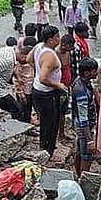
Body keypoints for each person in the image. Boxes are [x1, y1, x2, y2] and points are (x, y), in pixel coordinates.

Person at [32, 26, 69, 156]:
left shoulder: (38, 47)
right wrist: (58, 85)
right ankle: (48, 151)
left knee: (45, 121)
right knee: (51, 123)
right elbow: (43, 78)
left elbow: (29, 60)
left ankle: (44, 146)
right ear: (51, 40)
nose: (59, 39)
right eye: (57, 37)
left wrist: (38, 69)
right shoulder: (50, 56)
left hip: (37, 90)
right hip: (47, 93)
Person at [72, 57, 99, 176]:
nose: (97, 73)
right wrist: (90, 141)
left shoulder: (82, 81)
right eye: (95, 71)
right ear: (87, 73)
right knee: (87, 155)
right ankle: (83, 179)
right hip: (84, 127)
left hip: (79, 123)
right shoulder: (81, 90)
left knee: (79, 150)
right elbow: (83, 118)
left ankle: (77, 174)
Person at [13, 38, 37, 122]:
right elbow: (17, 82)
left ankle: (26, 121)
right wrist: (21, 94)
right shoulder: (19, 67)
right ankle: (23, 122)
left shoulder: (30, 65)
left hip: (29, 91)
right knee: (24, 109)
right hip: (23, 92)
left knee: (28, 109)